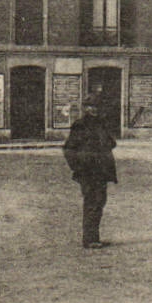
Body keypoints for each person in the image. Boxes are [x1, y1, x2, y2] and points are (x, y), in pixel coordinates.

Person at [63, 93, 118, 249]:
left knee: (100, 202)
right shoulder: (80, 125)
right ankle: (89, 239)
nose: (93, 110)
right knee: (91, 202)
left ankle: (94, 237)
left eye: (96, 107)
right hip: (88, 171)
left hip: (101, 171)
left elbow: (111, 143)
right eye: (90, 107)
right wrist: (78, 167)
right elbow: (69, 149)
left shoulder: (101, 124)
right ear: (85, 108)